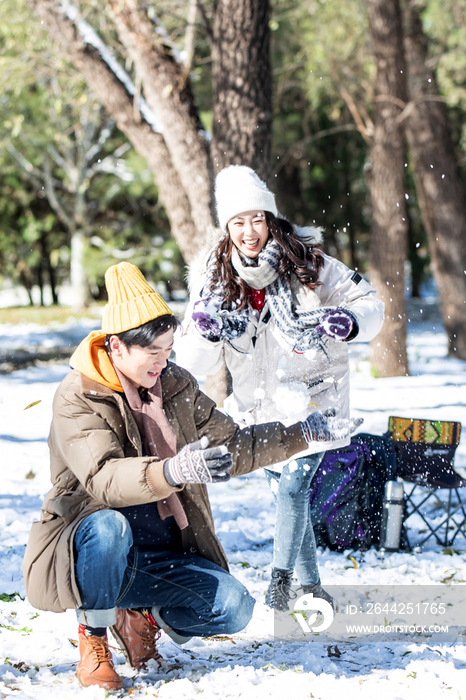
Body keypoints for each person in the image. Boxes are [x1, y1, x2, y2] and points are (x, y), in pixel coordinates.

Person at [23, 261, 361, 691]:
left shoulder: (175, 386)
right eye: (153, 353)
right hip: (90, 550)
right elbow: (103, 478)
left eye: (168, 351)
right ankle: (93, 641)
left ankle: (139, 614)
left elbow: (234, 445)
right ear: (117, 347)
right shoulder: (79, 395)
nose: (163, 363)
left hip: (161, 550)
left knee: (232, 609)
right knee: (107, 527)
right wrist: (172, 469)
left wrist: (303, 434)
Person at [175, 165, 384, 613]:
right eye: (237, 221)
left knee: (292, 489)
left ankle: (281, 581)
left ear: (271, 218)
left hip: (316, 400)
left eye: (256, 218)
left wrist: (349, 322)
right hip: (257, 410)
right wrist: (207, 331)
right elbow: (193, 363)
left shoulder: (310, 263)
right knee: (292, 501)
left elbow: (370, 305)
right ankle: (314, 589)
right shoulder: (213, 281)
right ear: (226, 227)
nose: (249, 231)